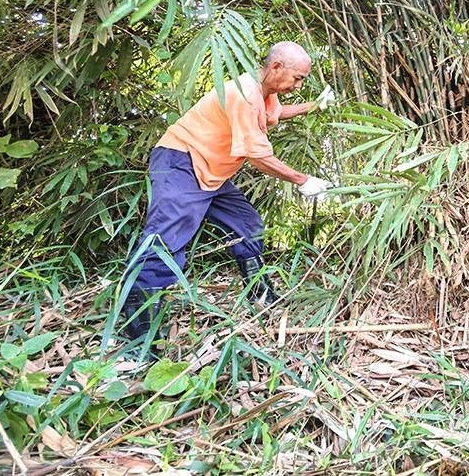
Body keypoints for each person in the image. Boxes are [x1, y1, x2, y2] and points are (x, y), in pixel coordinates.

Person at [119, 40, 335, 342]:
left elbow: (277, 113)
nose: (299, 85)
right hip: (182, 160)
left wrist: (313, 106)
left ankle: (258, 292)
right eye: (298, 78)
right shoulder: (246, 94)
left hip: (213, 172)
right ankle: (139, 327)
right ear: (276, 67)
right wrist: (302, 180)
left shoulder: (264, 93)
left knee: (247, 226)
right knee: (165, 238)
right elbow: (258, 157)